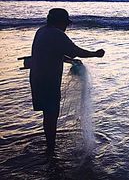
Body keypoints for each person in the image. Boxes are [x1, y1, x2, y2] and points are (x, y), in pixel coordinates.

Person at [29, 8, 105, 153]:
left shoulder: (42, 31)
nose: (66, 27)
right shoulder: (57, 34)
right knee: (52, 114)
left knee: (48, 114)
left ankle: (49, 145)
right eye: (65, 24)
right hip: (48, 80)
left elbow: (54, 53)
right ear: (59, 22)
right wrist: (95, 54)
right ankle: (50, 149)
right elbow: (75, 50)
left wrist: (70, 61)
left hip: (37, 78)